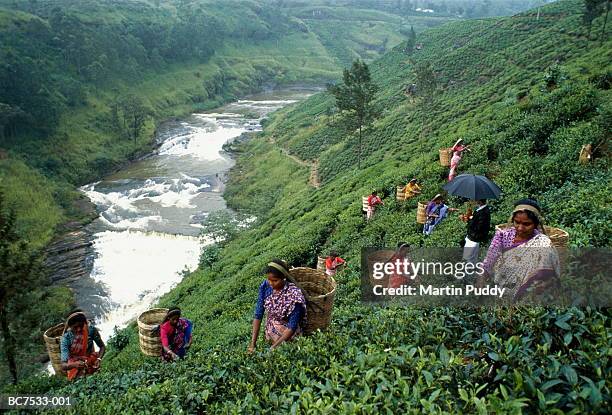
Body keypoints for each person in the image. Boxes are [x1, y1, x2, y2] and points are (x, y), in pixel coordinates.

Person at [479, 199, 560, 301]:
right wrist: (480, 281)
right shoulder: (503, 236)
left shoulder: (542, 242)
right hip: (501, 291)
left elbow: (547, 274)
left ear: (535, 224)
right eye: (517, 222)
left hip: (531, 297)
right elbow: (489, 261)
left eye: (527, 224)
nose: (520, 228)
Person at [248, 259, 306, 353]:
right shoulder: (265, 286)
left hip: (288, 332)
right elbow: (258, 314)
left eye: (275, 280)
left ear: (284, 277)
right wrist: (252, 344)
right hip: (272, 327)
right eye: (269, 279)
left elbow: (292, 326)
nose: (271, 283)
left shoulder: (294, 295)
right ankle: (272, 341)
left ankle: (278, 344)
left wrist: (272, 349)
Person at [60, 309, 105, 381]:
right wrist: (74, 365)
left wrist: (99, 359)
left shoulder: (90, 330)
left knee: (96, 381)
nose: (79, 329)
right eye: (75, 327)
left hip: (91, 362)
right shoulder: (66, 338)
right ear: (70, 326)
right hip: (75, 366)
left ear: (84, 323)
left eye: (81, 326)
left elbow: (102, 347)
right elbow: (63, 365)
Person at [462, 199, 491, 276]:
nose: (474, 201)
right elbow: (478, 222)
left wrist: (469, 220)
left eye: (476, 200)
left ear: (480, 201)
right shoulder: (483, 210)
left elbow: (478, 226)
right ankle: (472, 276)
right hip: (476, 238)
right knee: (473, 259)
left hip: (473, 238)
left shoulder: (482, 213)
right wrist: (472, 217)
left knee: (468, 259)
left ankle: (467, 279)